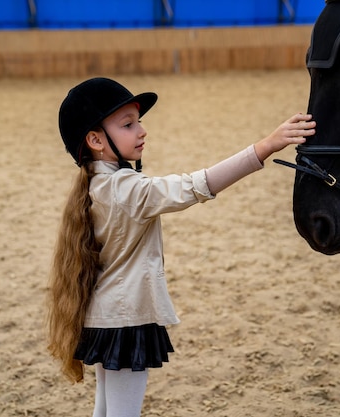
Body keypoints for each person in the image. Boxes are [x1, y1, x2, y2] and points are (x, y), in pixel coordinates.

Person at [47, 77, 316, 417]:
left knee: (104, 411)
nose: (141, 131)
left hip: (106, 317)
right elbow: (194, 187)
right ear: (95, 139)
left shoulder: (96, 185)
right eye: (128, 124)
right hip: (126, 319)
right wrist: (265, 146)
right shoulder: (125, 188)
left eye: (138, 121)